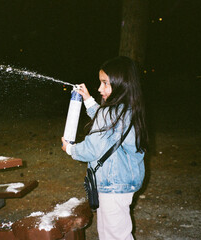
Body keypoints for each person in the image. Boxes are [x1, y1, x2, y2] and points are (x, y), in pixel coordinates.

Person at [61, 56, 148, 240]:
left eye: (105, 83)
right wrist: (88, 100)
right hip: (122, 185)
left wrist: (70, 149)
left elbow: (93, 148)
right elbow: (107, 125)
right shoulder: (128, 109)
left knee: (115, 236)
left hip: (112, 186)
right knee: (112, 233)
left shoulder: (111, 113)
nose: (100, 88)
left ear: (121, 84)